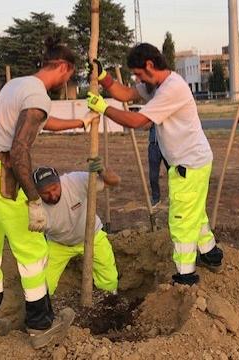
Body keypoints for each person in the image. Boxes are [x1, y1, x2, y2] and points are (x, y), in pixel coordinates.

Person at [0, 38, 90, 350]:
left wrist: (81, 121)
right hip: (1, 178)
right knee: (33, 251)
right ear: (64, 67)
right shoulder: (37, 96)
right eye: (69, 76)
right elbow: (20, 150)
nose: (66, 82)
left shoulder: (18, 85)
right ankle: (41, 325)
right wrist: (33, 198)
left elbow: (43, 122)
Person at [86, 43, 223, 286]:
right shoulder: (157, 86)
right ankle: (211, 254)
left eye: (139, 73)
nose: (137, 79)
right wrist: (104, 77)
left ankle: (185, 275)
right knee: (195, 213)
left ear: (150, 65)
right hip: (193, 161)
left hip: (188, 164)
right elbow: (126, 94)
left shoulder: (172, 88)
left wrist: (104, 109)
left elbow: (138, 121)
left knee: (181, 219)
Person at [33, 160, 120, 296]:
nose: (52, 195)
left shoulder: (75, 181)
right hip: (58, 244)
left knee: (109, 278)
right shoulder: (33, 204)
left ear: (59, 181)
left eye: (55, 188)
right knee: (43, 283)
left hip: (92, 236)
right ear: (37, 191)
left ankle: (110, 302)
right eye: (46, 193)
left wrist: (102, 170)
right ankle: (44, 311)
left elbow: (114, 181)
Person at [148, 125, 164, 207]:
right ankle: (156, 198)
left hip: (167, 144)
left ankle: (174, 197)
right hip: (154, 145)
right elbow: (145, 126)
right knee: (153, 175)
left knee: (173, 173)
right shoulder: (151, 112)